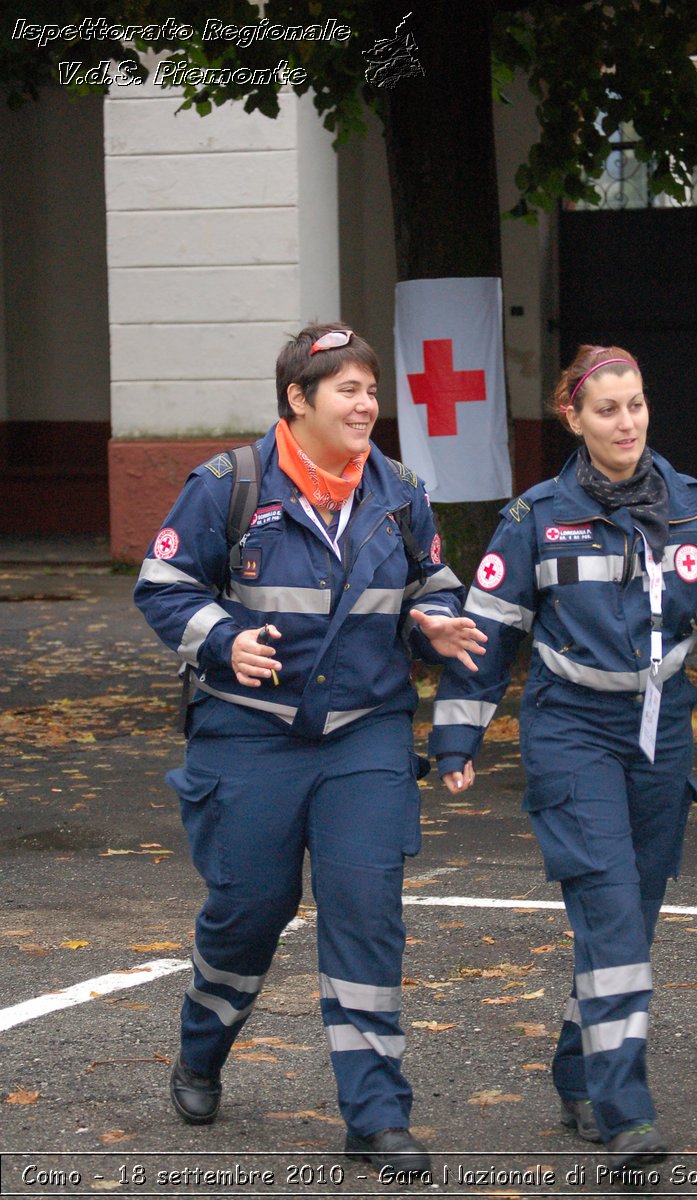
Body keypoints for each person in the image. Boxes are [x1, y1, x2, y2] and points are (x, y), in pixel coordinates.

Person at [430, 344, 697, 1167]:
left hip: (663, 736)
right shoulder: (534, 518)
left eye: (635, 406)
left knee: (630, 921)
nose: (625, 422)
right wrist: (456, 738)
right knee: (611, 911)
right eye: (607, 410)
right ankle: (625, 1110)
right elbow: (484, 637)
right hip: (571, 732)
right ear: (574, 417)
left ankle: (576, 1069)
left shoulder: (694, 509)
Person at [134, 323, 486, 1174]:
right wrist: (224, 640)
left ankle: (375, 1114)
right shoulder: (230, 484)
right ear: (299, 399)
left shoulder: (399, 491)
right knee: (248, 912)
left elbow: (428, 581)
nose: (367, 405)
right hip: (248, 738)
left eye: (371, 390)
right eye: (349, 391)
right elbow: (164, 584)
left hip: (362, 734)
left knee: (366, 915)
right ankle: (201, 1046)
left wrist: (432, 619)